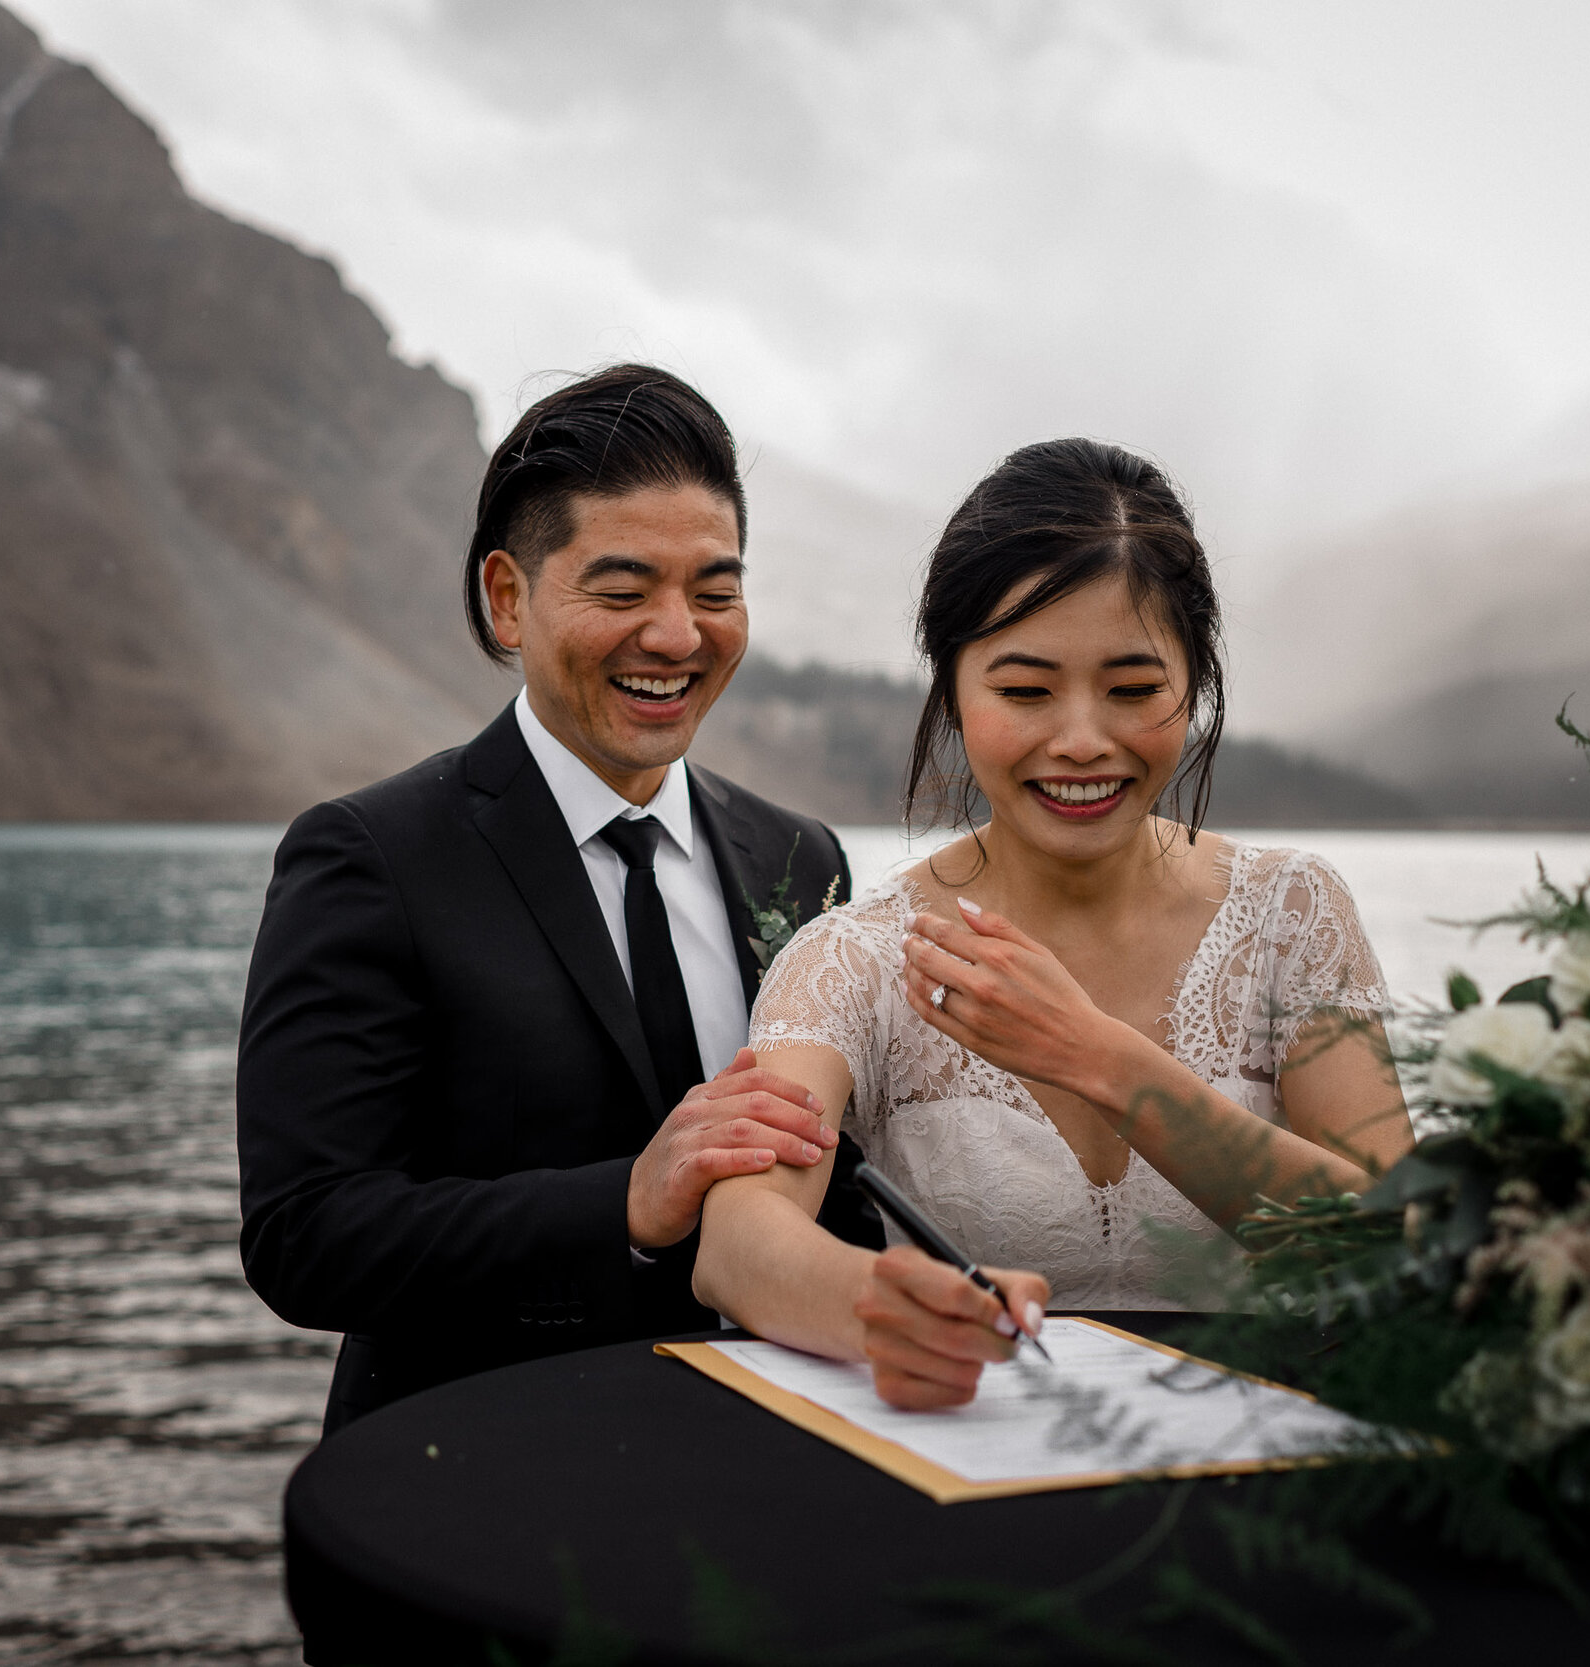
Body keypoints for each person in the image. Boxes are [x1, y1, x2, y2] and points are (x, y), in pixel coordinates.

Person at [692, 438, 1415, 1410]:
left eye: (1131, 688)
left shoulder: (1292, 915)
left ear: (1194, 684)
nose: (1080, 739)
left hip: (1270, 1479)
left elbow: (1401, 1241)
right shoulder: (853, 956)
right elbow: (737, 1242)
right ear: (950, 688)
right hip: (974, 1468)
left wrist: (1101, 1058)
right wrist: (875, 1303)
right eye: (1024, 690)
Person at [238, 364, 881, 1436]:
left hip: (764, 1464)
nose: (678, 635)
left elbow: (828, 1172)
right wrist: (625, 1198)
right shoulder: (368, 856)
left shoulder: (796, 854)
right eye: (623, 591)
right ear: (507, 597)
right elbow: (307, 1236)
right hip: (478, 1471)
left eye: (715, 591)